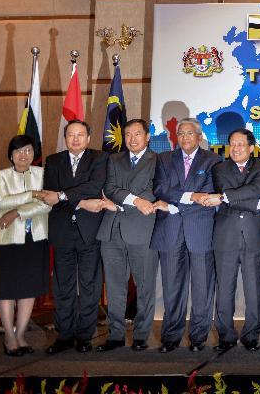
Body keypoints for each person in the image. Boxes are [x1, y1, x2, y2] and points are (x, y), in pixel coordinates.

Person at [151, 117, 222, 353]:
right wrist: (191, 197)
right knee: (172, 288)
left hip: (201, 231)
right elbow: (160, 189)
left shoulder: (213, 160)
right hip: (170, 231)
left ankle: (199, 337)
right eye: (180, 133)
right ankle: (170, 337)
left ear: (199, 136)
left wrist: (173, 202)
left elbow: (211, 194)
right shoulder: (163, 159)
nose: (185, 138)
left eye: (190, 133)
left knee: (202, 287)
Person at [40, 120, 108, 354]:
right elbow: (49, 196)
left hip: (89, 232)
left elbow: (94, 186)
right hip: (62, 232)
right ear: (65, 138)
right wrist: (81, 203)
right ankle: (64, 335)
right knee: (62, 286)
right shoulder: (53, 161)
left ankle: (85, 336)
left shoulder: (99, 158)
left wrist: (63, 196)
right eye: (71, 135)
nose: (76, 139)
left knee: (90, 285)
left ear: (89, 138)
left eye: (80, 135)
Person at [95, 119, 162, 352]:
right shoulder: (113, 159)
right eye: (128, 134)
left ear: (147, 137)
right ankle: (115, 335)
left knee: (145, 286)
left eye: (137, 134)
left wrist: (121, 203)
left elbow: (155, 191)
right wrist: (134, 201)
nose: (132, 139)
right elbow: (109, 189)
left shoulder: (158, 161)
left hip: (143, 230)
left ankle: (141, 336)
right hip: (112, 231)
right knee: (114, 287)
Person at [205, 128, 260, 352]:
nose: (236, 148)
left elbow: (256, 189)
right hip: (226, 236)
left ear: (251, 148)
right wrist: (258, 203)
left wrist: (223, 198)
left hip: (253, 234)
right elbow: (232, 193)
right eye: (232, 144)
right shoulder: (220, 168)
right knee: (224, 288)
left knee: (254, 288)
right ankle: (226, 335)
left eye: (241, 144)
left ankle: (252, 334)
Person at [0, 135, 51, 356]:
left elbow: (46, 204)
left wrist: (18, 211)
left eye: (27, 151)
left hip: (35, 239)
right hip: (7, 240)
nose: (23, 155)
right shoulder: (1, 176)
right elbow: (0, 201)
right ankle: (9, 337)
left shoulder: (43, 174)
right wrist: (32, 194)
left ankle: (21, 336)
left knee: (29, 289)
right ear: (11, 154)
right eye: (18, 151)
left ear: (34, 154)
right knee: (7, 290)